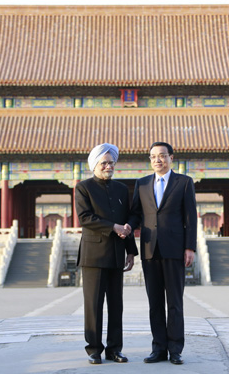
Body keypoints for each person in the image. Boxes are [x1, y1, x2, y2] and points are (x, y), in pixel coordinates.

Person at [127, 141, 197, 365]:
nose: (158, 160)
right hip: (149, 249)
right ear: (150, 160)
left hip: (175, 249)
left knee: (175, 302)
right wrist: (128, 227)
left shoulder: (184, 183)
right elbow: (136, 214)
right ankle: (158, 348)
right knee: (155, 302)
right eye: (154, 156)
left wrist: (190, 247)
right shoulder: (142, 183)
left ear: (171, 158)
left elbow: (190, 217)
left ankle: (175, 349)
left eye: (162, 155)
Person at [75, 143, 138, 364]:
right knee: (93, 305)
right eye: (104, 163)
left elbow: (128, 218)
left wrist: (131, 251)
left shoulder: (121, 189)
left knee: (116, 304)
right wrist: (113, 227)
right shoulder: (83, 188)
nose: (108, 166)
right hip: (93, 255)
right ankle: (94, 349)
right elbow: (85, 217)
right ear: (94, 165)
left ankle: (114, 349)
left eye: (111, 162)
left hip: (116, 254)